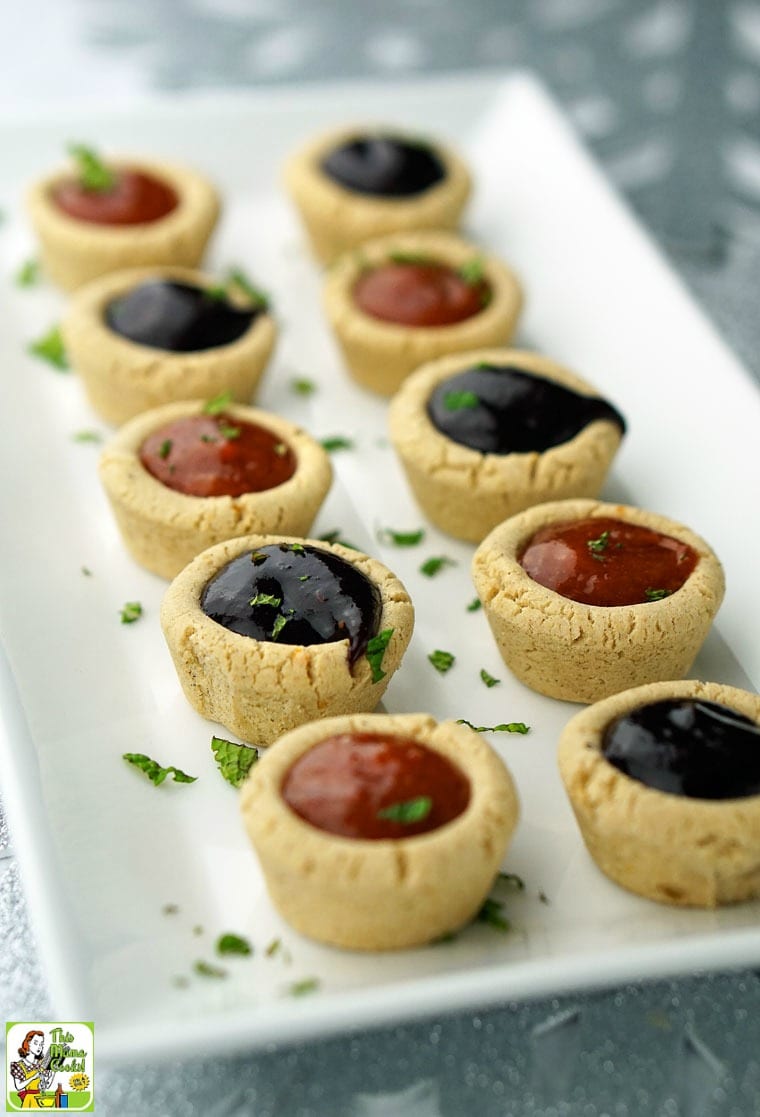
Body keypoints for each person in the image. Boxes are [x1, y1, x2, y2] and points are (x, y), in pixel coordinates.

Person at [9, 1031, 53, 1108]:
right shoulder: (18, 1066)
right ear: (28, 1043)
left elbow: (46, 1085)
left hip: (40, 1100)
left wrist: (53, 1070)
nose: (39, 1047)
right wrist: (33, 1077)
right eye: (36, 1043)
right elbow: (18, 1087)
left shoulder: (41, 1064)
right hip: (28, 1101)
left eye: (41, 1044)